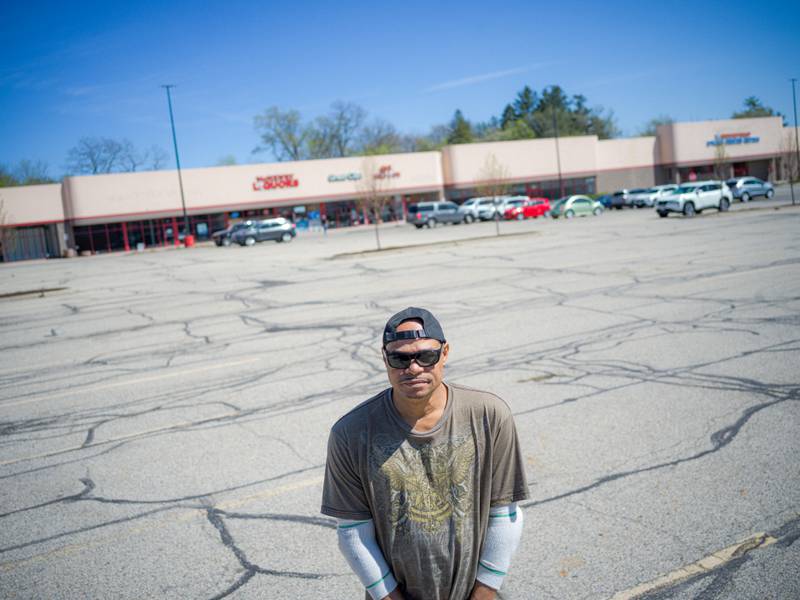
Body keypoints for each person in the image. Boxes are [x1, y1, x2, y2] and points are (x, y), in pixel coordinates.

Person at [322, 307, 529, 600]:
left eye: (426, 355)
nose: (414, 368)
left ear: (445, 353)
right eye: (400, 358)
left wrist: (484, 593)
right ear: (384, 359)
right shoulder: (351, 433)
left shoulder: (489, 415)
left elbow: (505, 514)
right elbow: (353, 532)